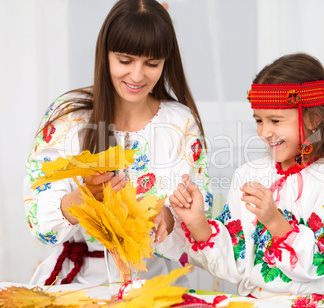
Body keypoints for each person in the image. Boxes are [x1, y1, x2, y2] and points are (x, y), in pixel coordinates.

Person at [23, 0, 212, 287]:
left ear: (166, 62)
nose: (137, 76)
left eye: (152, 64)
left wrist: (169, 218)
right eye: (125, 60)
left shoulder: (181, 124)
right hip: (76, 282)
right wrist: (82, 201)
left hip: (152, 284)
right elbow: (37, 219)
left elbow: (201, 221)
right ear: (105, 55)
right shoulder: (68, 117)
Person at [155, 53, 324, 307]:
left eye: (275, 120)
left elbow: (319, 264)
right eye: (258, 120)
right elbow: (234, 266)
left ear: (314, 118)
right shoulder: (249, 174)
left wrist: (275, 221)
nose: (264, 132)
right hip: (252, 302)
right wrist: (198, 222)